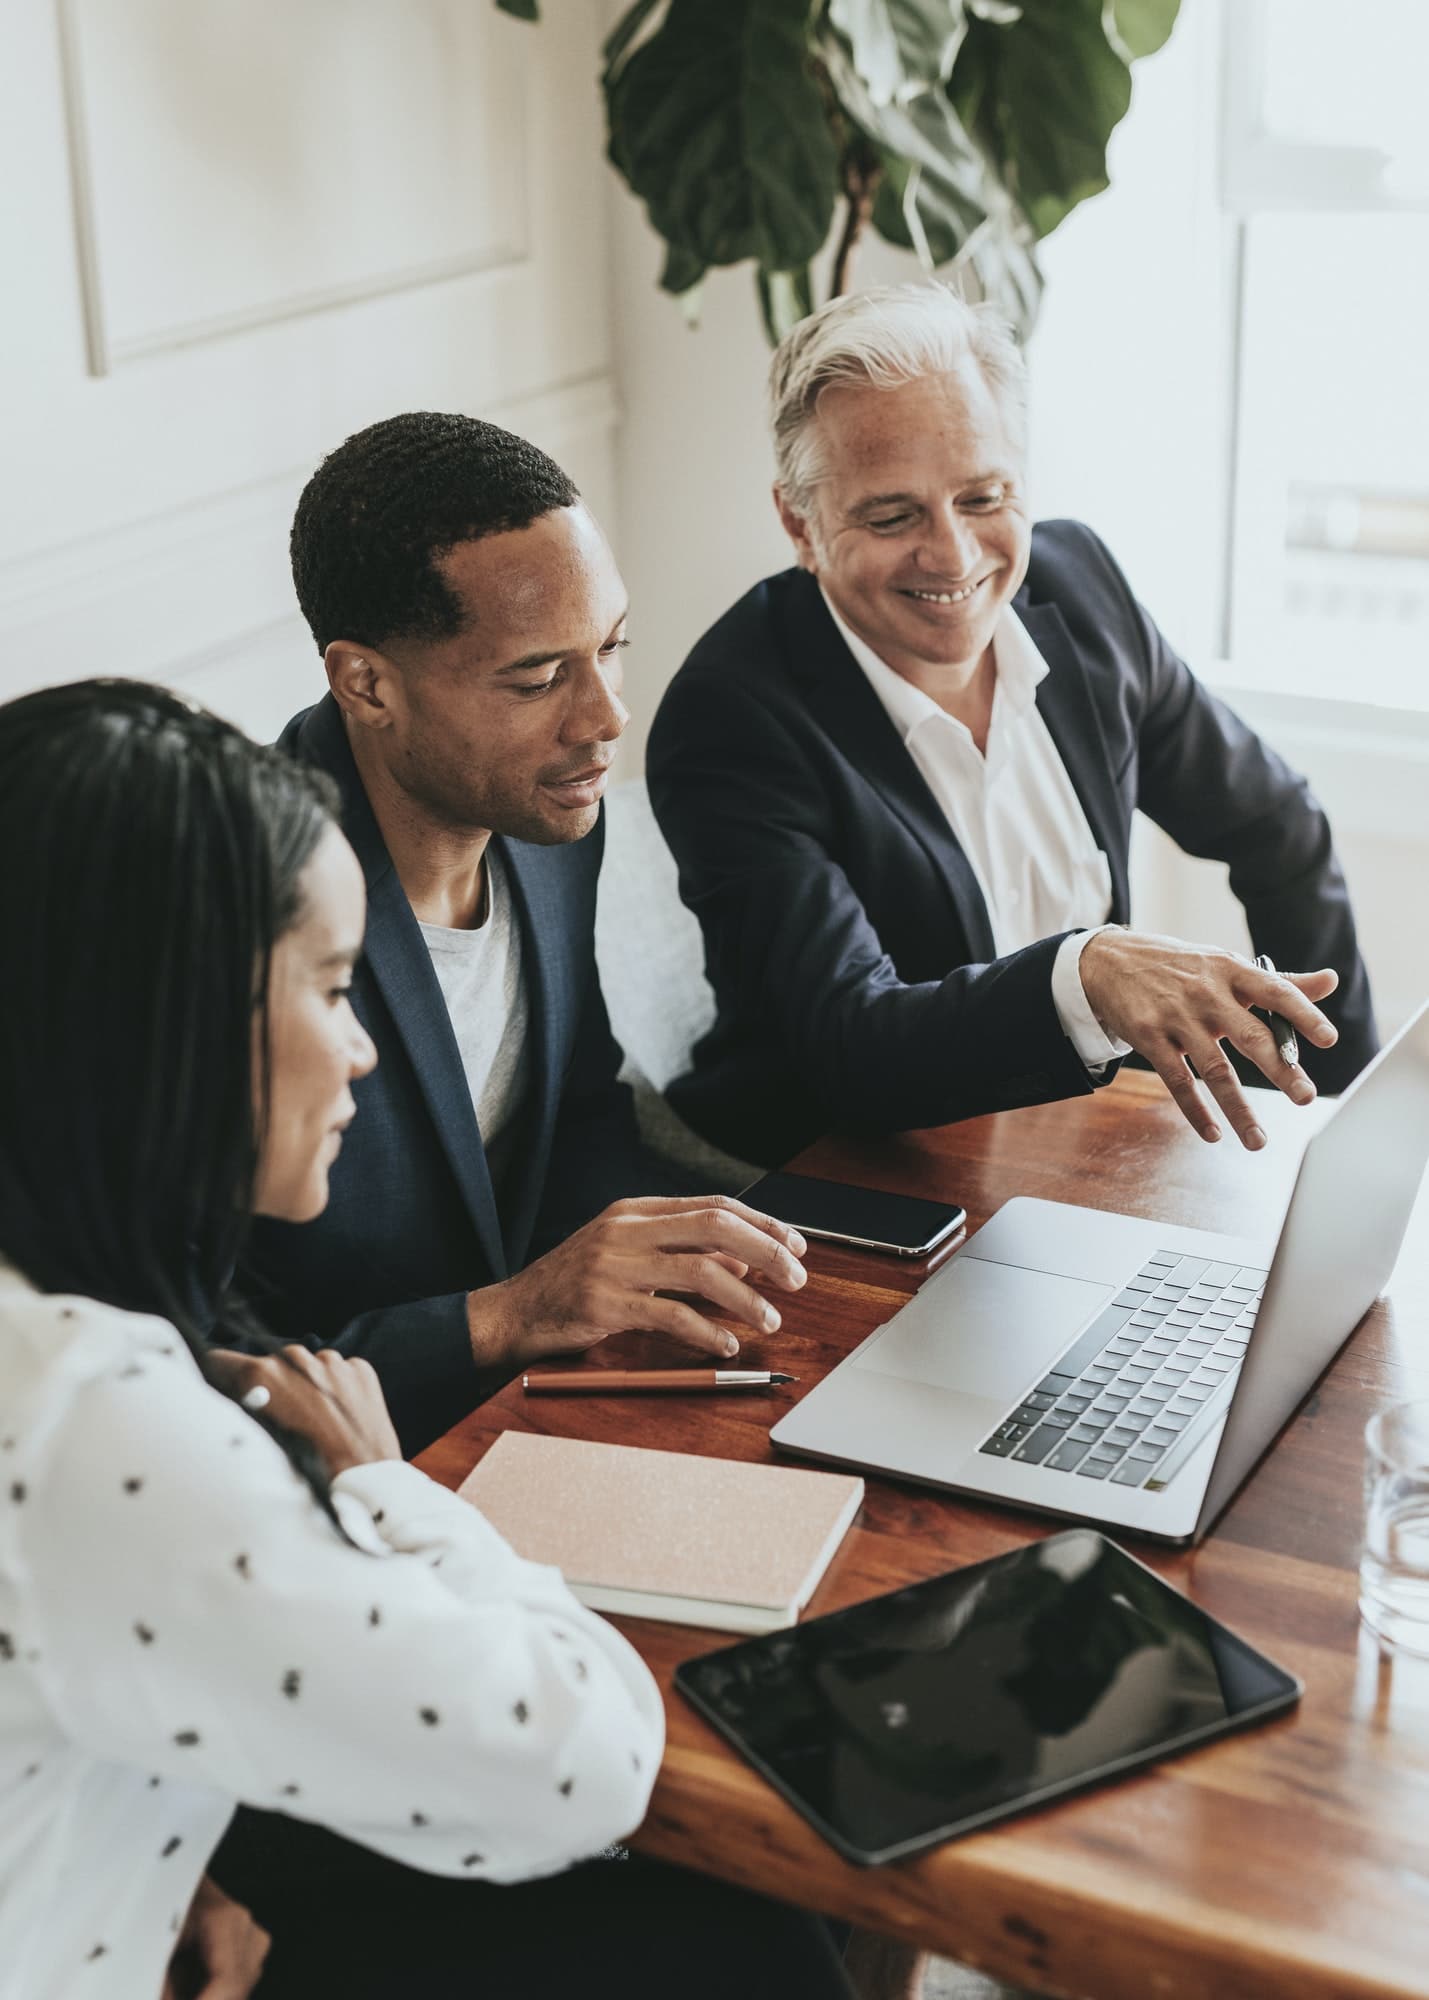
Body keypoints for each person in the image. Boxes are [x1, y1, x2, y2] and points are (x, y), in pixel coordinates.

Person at [0, 679, 856, 2000]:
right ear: (162, 1015)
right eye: (330, 990)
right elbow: (588, 1763)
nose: (358, 1053)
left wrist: (172, 1859)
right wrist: (382, 1486)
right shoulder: (100, 1422)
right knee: (742, 1941)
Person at [646, 282, 1377, 1167]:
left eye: (984, 498)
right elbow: (851, 1049)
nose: (953, 556)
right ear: (799, 524)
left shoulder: (1080, 586)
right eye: (891, 514)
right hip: (838, 1184)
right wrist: (1085, 974)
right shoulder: (731, 718)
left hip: (1078, 1143)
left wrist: (1330, 1122)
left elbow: (1277, 827)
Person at [244, 414, 808, 1456]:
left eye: (610, 649)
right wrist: (507, 1314)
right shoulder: (234, 909)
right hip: (349, 1474)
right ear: (365, 682)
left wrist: (671, 1266)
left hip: (551, 1414)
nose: (603, 717)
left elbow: (579, 1115)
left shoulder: (548, 824)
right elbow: (197, 1352)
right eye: (538, 677)